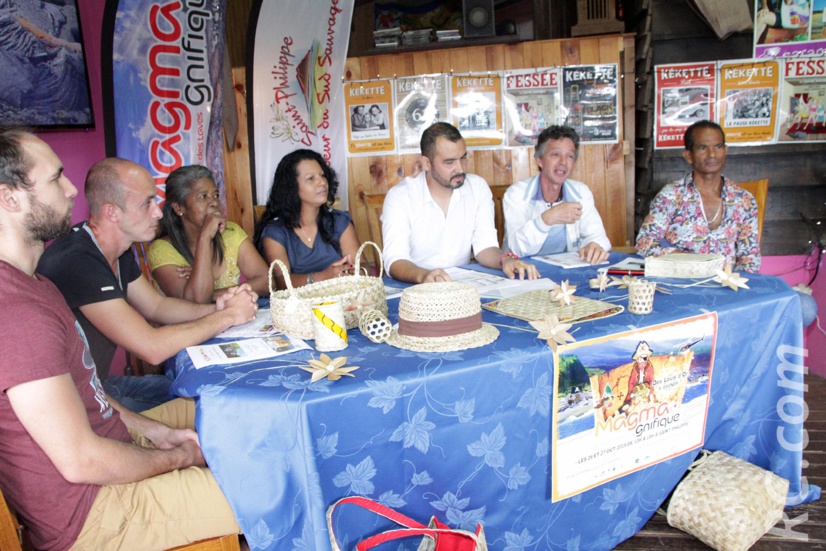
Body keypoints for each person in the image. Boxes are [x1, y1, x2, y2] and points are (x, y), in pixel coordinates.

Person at [0, 127, 250, 550]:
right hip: (92, 516)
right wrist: (176, 458)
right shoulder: (17, 312)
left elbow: (88, 393)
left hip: (107, 456)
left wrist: (155, 433)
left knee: (235, 413)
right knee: (267, 485)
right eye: (55, 178)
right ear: (9, 198)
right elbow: (81, 460)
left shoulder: (35, 283)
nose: (70, 190)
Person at [37, 157, 259, 412]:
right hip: (73, 404)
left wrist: (218, 308)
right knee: (211, 409)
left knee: (203, 392)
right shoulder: (78, 260)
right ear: (112, 212)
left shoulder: (116, 249)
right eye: (147, 203)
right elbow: (152, 347)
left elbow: (157, 306)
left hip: (100, 384)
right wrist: (230, 315)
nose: (157, 212)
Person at [381, 122, 539, 283]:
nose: (460, 169)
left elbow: (485, 246)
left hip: (461, 286)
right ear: (426, 163)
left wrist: (505, 260)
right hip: (413, 286)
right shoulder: (400, 197)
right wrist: (424, 276)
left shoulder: (477, 187)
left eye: (463, 158)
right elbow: (395, 260)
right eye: (449, 162)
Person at [636, 120, 760, 273]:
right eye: (703, 148)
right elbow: (644, 244)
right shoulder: (671, 196)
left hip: (727, 286)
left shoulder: (743, 200)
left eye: (718, 146)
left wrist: (736, 287)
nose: (712, 154)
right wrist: (692, 262)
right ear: (688, 156)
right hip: (681, 283)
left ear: (725, 151)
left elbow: (750, 258)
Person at [148, 165, 269, 304]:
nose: (214, 202)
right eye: (203, 197)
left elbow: (267, 282)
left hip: (233, 321)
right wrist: (205, 237)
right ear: (179, 207)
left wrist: (212, 293)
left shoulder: (230, 233)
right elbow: (196, 301)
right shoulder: (161, 250)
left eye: (215, 195)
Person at [502, 125, 611, 264]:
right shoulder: (516, 194)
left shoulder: (580, 192)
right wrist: (546, 219)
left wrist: (594, 245)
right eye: (555, 154)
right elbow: (516, 249)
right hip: (525, 272)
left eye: (570, 156)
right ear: (539, 160)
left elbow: (599, 237)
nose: (563, 162)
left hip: (568, 273)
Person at [255, 149, 360, 289]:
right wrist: (323, 277)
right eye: (311, 178)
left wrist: (352, 271)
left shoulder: (340, 222)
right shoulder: (275, 232)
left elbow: (362, 266)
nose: (322, 182)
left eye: (322, 175)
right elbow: (281, 281)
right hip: (297, 307)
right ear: (291, 187)